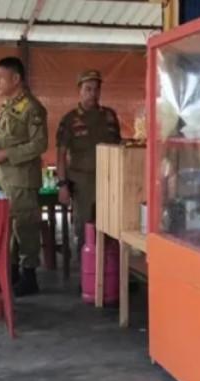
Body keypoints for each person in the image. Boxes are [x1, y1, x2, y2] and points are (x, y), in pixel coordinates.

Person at [0, 57, 48, 296]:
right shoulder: (7, 106)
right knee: (10, 227)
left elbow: (39, 144)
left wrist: (7, 154)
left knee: (25, 227)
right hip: (4, 177)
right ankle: (12, 272)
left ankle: (29, 276)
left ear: (16, 78)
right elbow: (6, 139)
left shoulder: (32, 108)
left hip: (21, 179)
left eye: (0, 78)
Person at [55, 70, 121, 258]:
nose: (93, 93)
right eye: (88, 89)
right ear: (80, 91)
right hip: (82, 184)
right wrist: (62, 185)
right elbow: (61, 155)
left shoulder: (109, 116)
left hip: (109, 181)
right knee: (85, 230)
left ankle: (109, 272)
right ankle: (87, 272)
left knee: (111, 229)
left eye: (96, 89)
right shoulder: (70, 119)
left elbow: (118, 147)